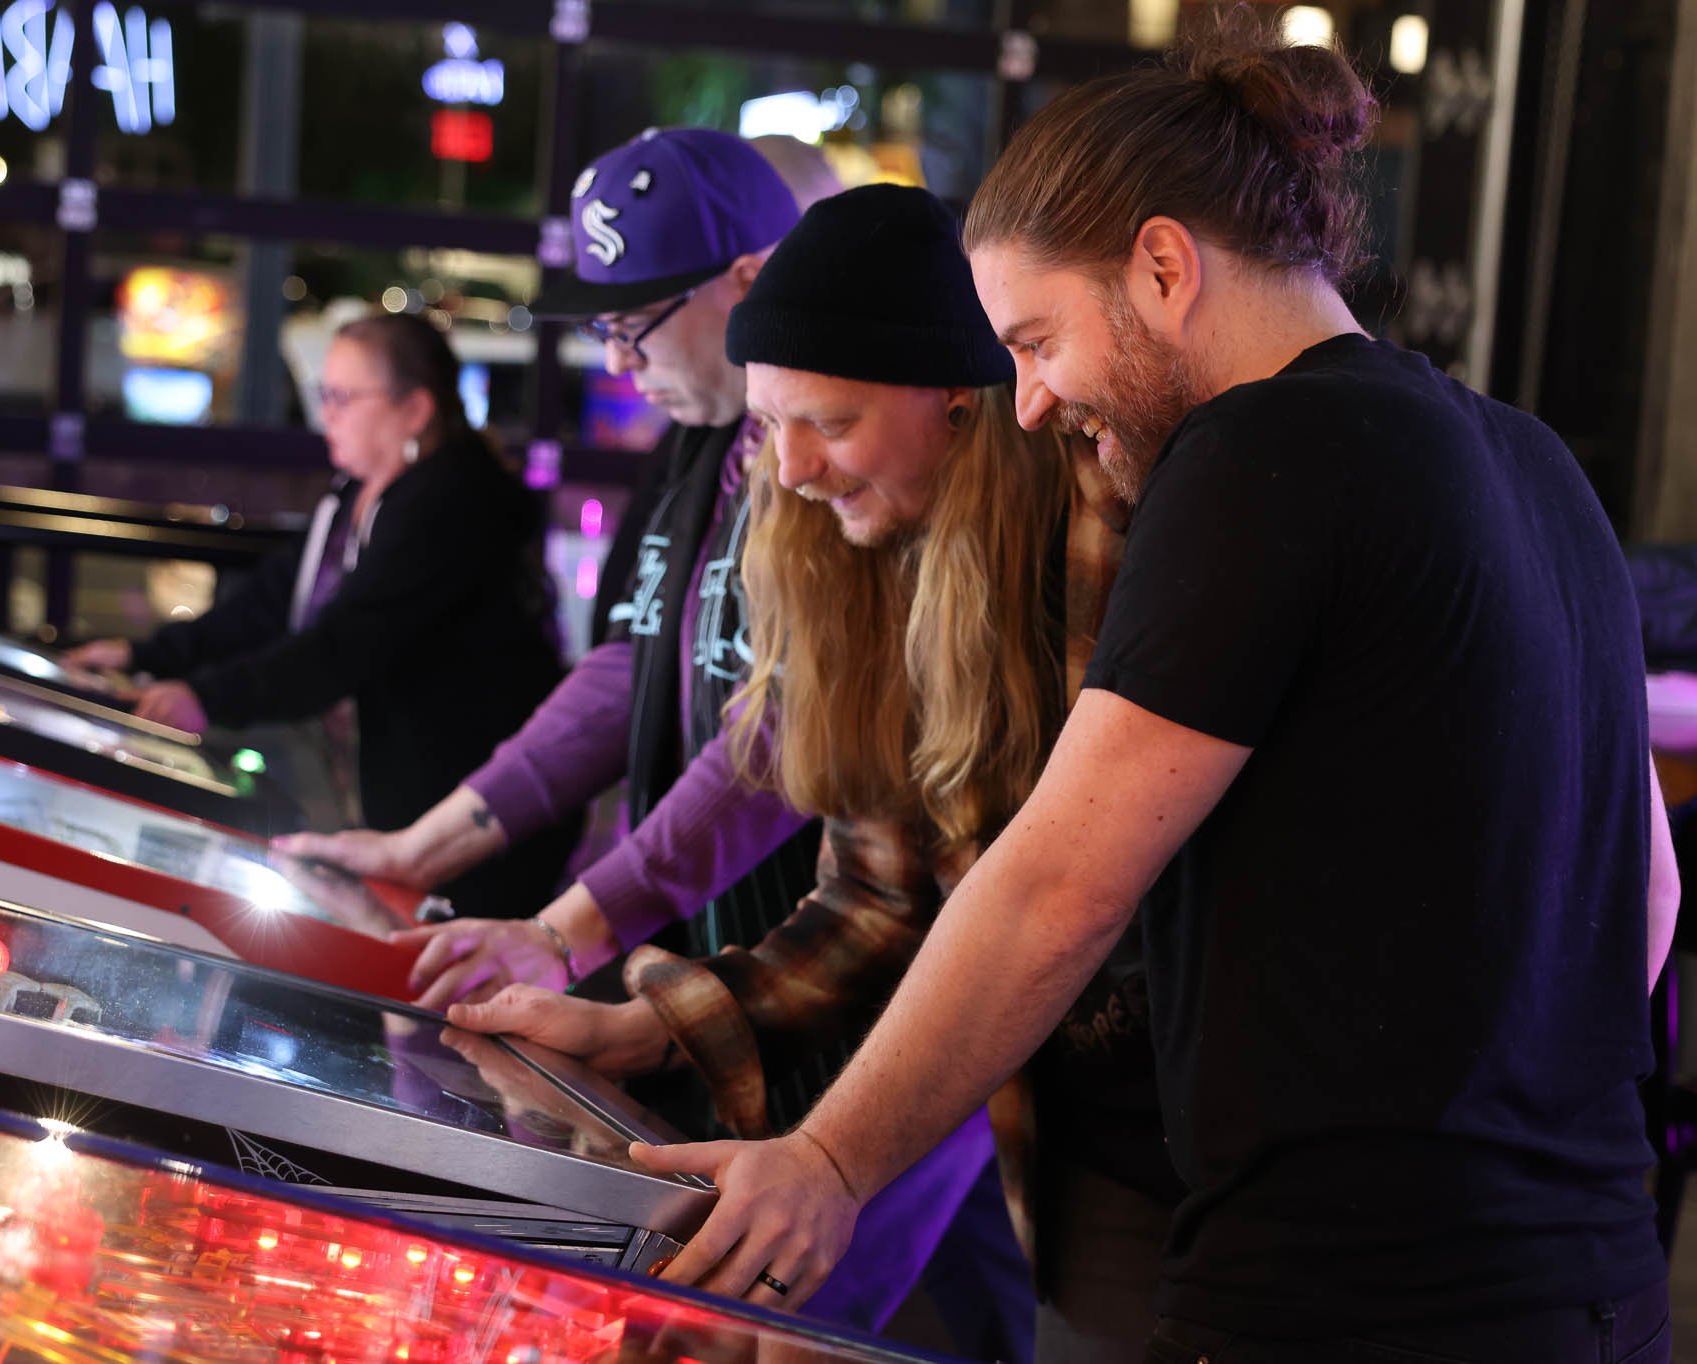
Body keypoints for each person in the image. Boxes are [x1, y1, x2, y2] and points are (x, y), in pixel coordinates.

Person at [616, 14, 1682, 1364]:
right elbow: (1645, 895)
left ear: (1164, 266)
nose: (1028, 405)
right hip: (1588, 1279)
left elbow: (1061, 882)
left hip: (1342, 1298)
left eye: (1037, 339)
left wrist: (829, 1161)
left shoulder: (1260, 451)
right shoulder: (1533, 460)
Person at [279, 146, 1034, 1354]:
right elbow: (873, 870)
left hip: (950, 1050)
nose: (785, 465)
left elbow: (1011, 904)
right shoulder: (741, 469)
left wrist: (585, 934)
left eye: (638, 322)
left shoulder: (1029, 533)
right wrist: (621, 987)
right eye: (776, 427)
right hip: (819, 990)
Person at [446, 184, 1176, 1362]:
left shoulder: (1108, 531)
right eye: (769, 423)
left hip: (1209, 1140)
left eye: (827, 422)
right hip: (1066, 1137)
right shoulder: (876, 556)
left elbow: (1062, 908)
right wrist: (645, 1025)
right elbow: (877, 894)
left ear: (958, 394)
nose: (786, 470)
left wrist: (832, 1157)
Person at [63, 312, 578, 921]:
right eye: (322, 394)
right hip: (412, 797)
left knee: (458, 987)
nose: (325, 413)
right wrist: (144, 656)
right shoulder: (355, 493)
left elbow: (345, 644)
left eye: (343, 397)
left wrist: (206, 697)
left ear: (414, 410)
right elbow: (271, 602)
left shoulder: (453, 500)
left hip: (475, 809)